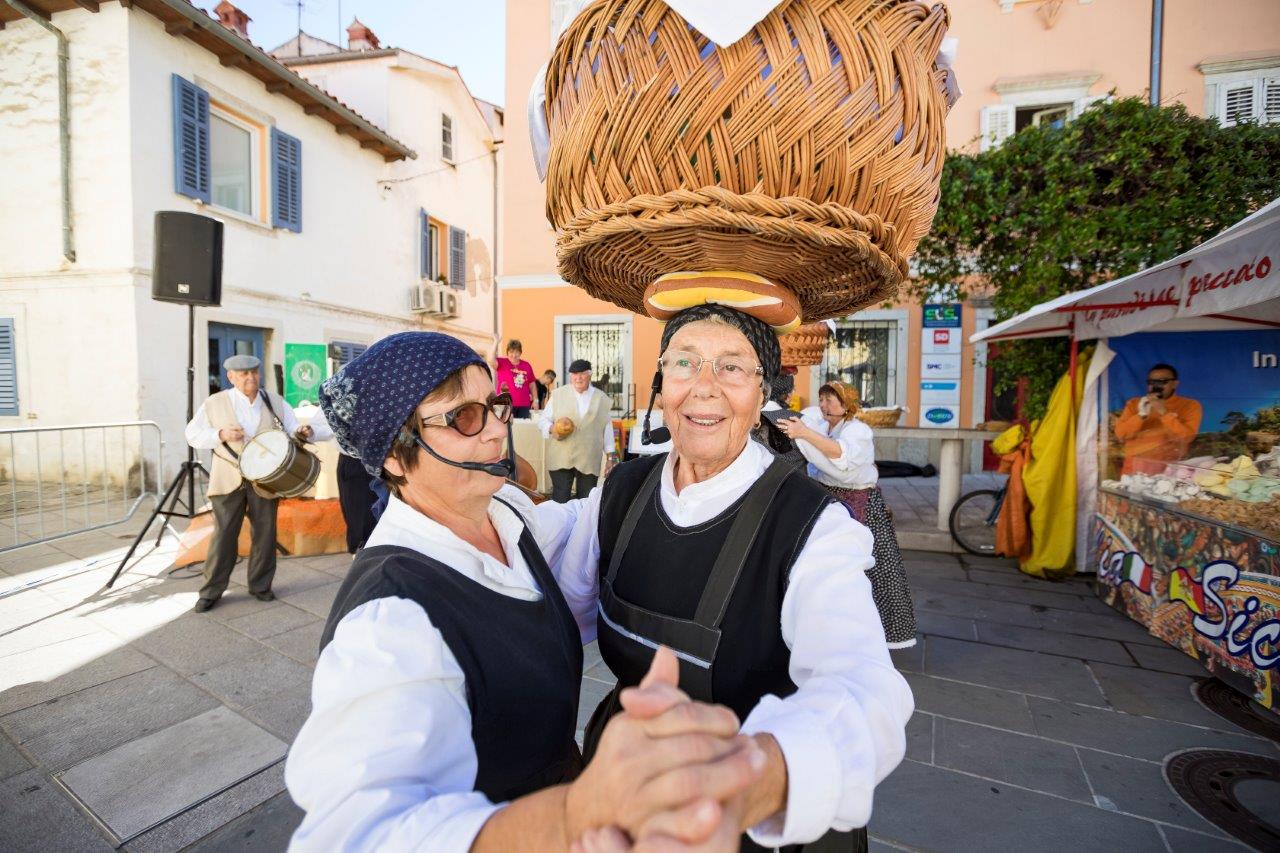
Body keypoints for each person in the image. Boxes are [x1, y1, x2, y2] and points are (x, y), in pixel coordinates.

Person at [287, 332, 764, 850]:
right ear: (396, 457)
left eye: (495, 405)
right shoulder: (388, 621)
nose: (497, 428)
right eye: (464, 417)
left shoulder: (505, 515)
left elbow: (582, 517)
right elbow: (358, 831)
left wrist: (686, 463)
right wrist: (575, 815)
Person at [553, 305, 914, 850]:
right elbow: (560, 614)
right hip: (623, 789)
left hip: (757, 821)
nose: (704, 387)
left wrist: (753, 778)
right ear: (661, 382)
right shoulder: (621, 492)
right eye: (684, 363)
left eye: (732, 367)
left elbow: (863, 687)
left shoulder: (812, 524)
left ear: (762, 392)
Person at [774, 381, 917, 648]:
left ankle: (872, 635)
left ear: (846, 404)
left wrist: (804, 433)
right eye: (822, 399)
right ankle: (830, 628)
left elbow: (841, 453)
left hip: (860, 502)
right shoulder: (821, 424)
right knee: (829, 565)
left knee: (871, 568)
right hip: (828, 496)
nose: (824, 405)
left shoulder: (857, 430)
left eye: (831, 400)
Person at [184, 354, 314, 613]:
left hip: (266, 480)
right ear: (231, 377)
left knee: (265, 534)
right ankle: (211, 591)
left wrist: (302, 433)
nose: (250, 378)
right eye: (243, 374)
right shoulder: (214, 402)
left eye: (254, 372)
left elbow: (291, 428)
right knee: (224, 536)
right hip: (228, 478)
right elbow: (192, 435)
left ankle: (260, 586)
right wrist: (220, 434)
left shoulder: (274, 401)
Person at [538, 359, 618, 502]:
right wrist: (551, 428)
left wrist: (610, 458)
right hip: (561, 455)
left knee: (586, 501)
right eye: (575, 374)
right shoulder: (558, 395)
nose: (578, 378)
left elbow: (607, 429)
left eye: (582, 374)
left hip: (589, 457)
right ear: (571, 376)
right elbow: (543, 420)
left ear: (590, 374)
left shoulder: (601, 399)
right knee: (560, 500)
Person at [1114, 363, 1202, 475]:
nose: (1156, 386)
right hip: (1135, 466)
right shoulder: (1134, 403)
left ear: (1175, 384)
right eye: (1151, 382)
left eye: (1162, 381)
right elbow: (1121, 434)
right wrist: (1141, 415)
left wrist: (1164, 413)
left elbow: (1187, 437)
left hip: (1170, 467)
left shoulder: (1190, 405)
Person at [495, 339, 536, 418]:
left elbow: (532, 385)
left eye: (516, 352)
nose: (514, 355)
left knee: (522, 425)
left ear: (520, 353)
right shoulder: (501, 362)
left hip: (524, 405)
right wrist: (495, 342)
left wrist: (536, 400)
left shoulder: (526, 365)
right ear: (507, 353)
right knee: (506, 425)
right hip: (505, 404)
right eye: (511, 352)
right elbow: (490, 360)